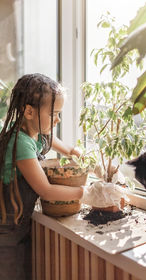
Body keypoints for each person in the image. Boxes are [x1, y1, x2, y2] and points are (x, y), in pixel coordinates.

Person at [0, 73, 127, 280]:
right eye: (54, 113)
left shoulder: (39, 133)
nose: (58, 119)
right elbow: (46, 190)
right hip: (5, 230)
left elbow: (70, 150)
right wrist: (87, 194)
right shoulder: (20, 142)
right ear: (29, 111)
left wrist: (99, 168)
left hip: (19, 223)